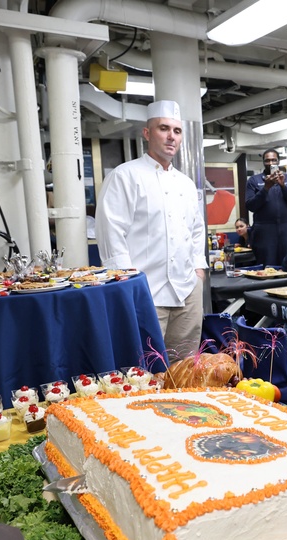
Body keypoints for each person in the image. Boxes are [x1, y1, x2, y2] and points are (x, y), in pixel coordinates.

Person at [96, 100, 207, 352]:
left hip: (187, 292)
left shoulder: (186, 184)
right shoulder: (125, 176)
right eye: (163, 128)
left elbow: (196, 230)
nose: (171, 136)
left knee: (185, 366)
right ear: (147, 133)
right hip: (144, 294)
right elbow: (111, 233)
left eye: (177, 131)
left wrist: (198, 270)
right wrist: (127, 285)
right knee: (143, 365)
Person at [245, 149, 287, 267]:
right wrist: (266, 188)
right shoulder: (254, 180)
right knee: (266, 266)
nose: (271, 163)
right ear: (263, 162)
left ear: (278, 161)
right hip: (264, 230)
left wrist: (283, 186)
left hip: (286, 229)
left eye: (273, 160)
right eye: (267, 160)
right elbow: (251, 206)